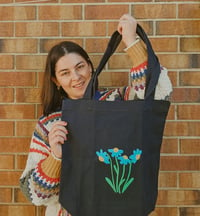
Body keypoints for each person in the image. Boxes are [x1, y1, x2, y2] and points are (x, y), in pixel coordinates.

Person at [19, 14, 172, 216]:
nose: (76, 77)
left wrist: (131, 42)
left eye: (80, 66)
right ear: (56, 81)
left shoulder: (119, 101)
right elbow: (35, 195)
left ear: (91, 67)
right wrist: (55, 157)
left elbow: (159, 93)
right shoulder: (50, 124)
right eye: (65, 73)